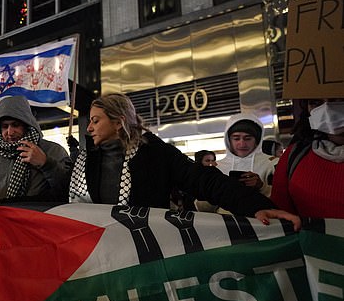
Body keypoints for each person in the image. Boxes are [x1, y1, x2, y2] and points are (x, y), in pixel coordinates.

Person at [68, 93, 300, 229]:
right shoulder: (87, 160)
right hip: (97, 253)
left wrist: (258, 206)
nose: (89, 128)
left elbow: (205, 181)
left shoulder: (155, 153)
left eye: (96, 121)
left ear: (118, 122)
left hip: (143, 254)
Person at [0, 95, 72, 210]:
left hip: (37, 223)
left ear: (27, 124)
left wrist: (46, 163)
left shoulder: (53, 150)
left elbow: (70, 190)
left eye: (15, 125)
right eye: (5, 126)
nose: (10, 132)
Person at [271, 100, 344, 219]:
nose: (327, 109)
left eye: (336, 100)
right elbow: (280, 215)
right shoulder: (295, 154)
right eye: (315, 103)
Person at [216, 114, 276, 196]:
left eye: (248, 139)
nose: (242, 144)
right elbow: (200, 206)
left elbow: (284, 199)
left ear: (257, 141)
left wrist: (262, 187)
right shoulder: (217, 167)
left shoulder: (272, 164)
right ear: (228, 140)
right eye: (236, 138)